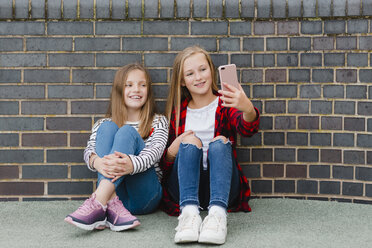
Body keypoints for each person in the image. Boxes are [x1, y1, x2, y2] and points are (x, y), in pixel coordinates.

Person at [160, 46, 260, 244]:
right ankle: (189, 216)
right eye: (190, 73)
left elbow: (247, 129)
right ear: (182, 81)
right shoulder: (177, 114)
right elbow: (164, 166)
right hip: (185, 189)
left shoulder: (224, 103)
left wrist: (247, 108)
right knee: (190, 142)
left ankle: (217, 216)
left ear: (211, 70)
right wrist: (175, 148)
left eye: (202, 69)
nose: (198, 77)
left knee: (220, 142)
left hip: (222, 187)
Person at [65, 63, 168, 231]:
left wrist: (131, 164)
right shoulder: (102, 124)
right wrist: (97, 162)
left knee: (126, 132)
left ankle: (97, 202)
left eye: (142, 85)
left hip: (145, 197)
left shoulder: (158, 121)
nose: (137, 89)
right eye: (129, 85)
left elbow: (154, 153)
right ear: (119, 89)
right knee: (108, 128)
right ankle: (107, 203)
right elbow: (89, 151)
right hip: (115, 198)